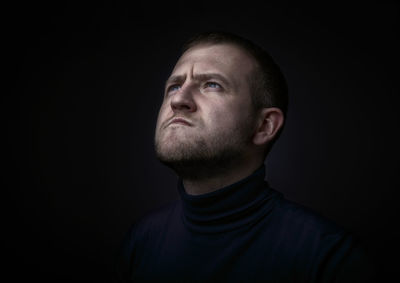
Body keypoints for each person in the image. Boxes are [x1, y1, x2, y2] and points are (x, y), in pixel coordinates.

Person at [115, 31, 375, 282]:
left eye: (212, 84)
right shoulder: (142, 241)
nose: (179, 99)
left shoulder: (328, 257)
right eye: (173, 86)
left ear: (264, 126)